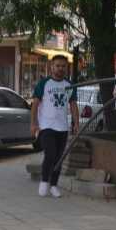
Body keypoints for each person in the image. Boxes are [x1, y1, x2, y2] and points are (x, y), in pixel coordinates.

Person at [30, 55, 79, 198]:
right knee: (50, 154)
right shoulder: (44, 83)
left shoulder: (69, 85)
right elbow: (35, 105)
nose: (60, 69)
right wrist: (34, 123)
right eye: (57, 66)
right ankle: (44, 181)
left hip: (62, 127)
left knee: (59, 158)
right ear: (52, 67)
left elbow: (73, 105)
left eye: (63, 66)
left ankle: (54, 185)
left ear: (66, 68)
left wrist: (76, 123)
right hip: (46, 126)